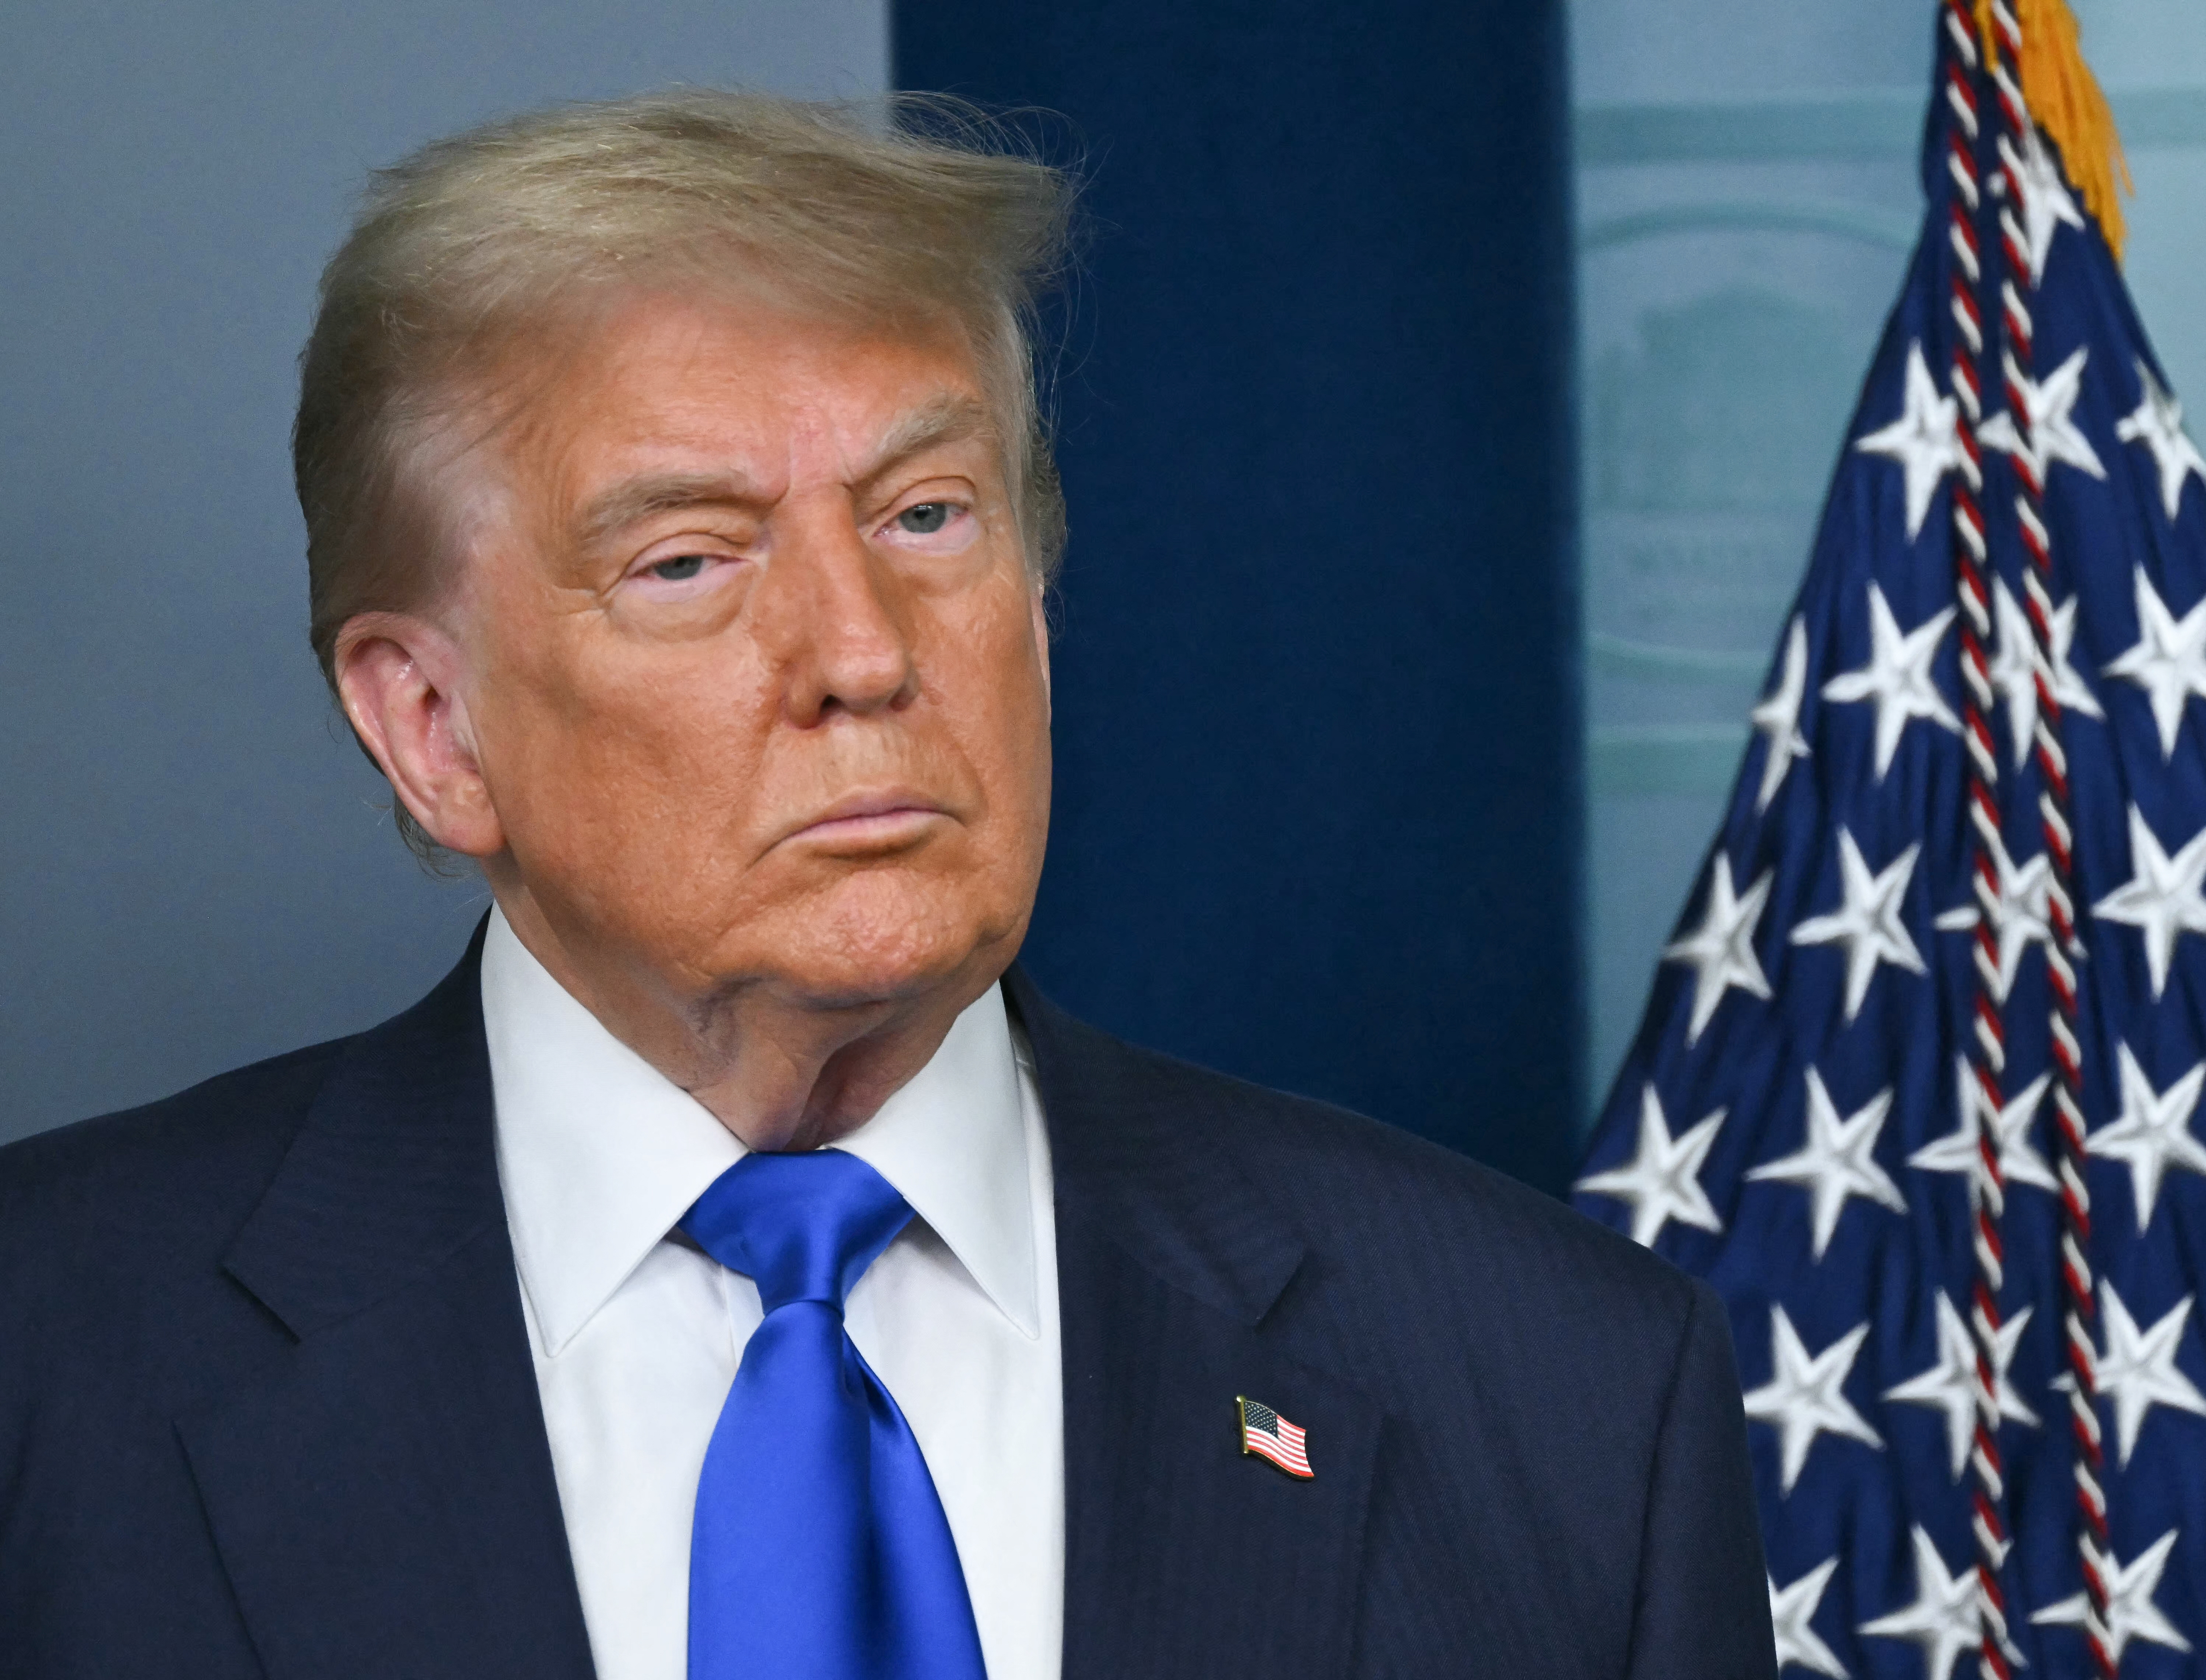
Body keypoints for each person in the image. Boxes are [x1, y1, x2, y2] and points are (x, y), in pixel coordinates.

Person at [0, 91, 1774, 1680]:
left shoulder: (1565, 1396)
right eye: (691, 558)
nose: (862, 652)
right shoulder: (55, 1362)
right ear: (434, 727)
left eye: (929, 517)